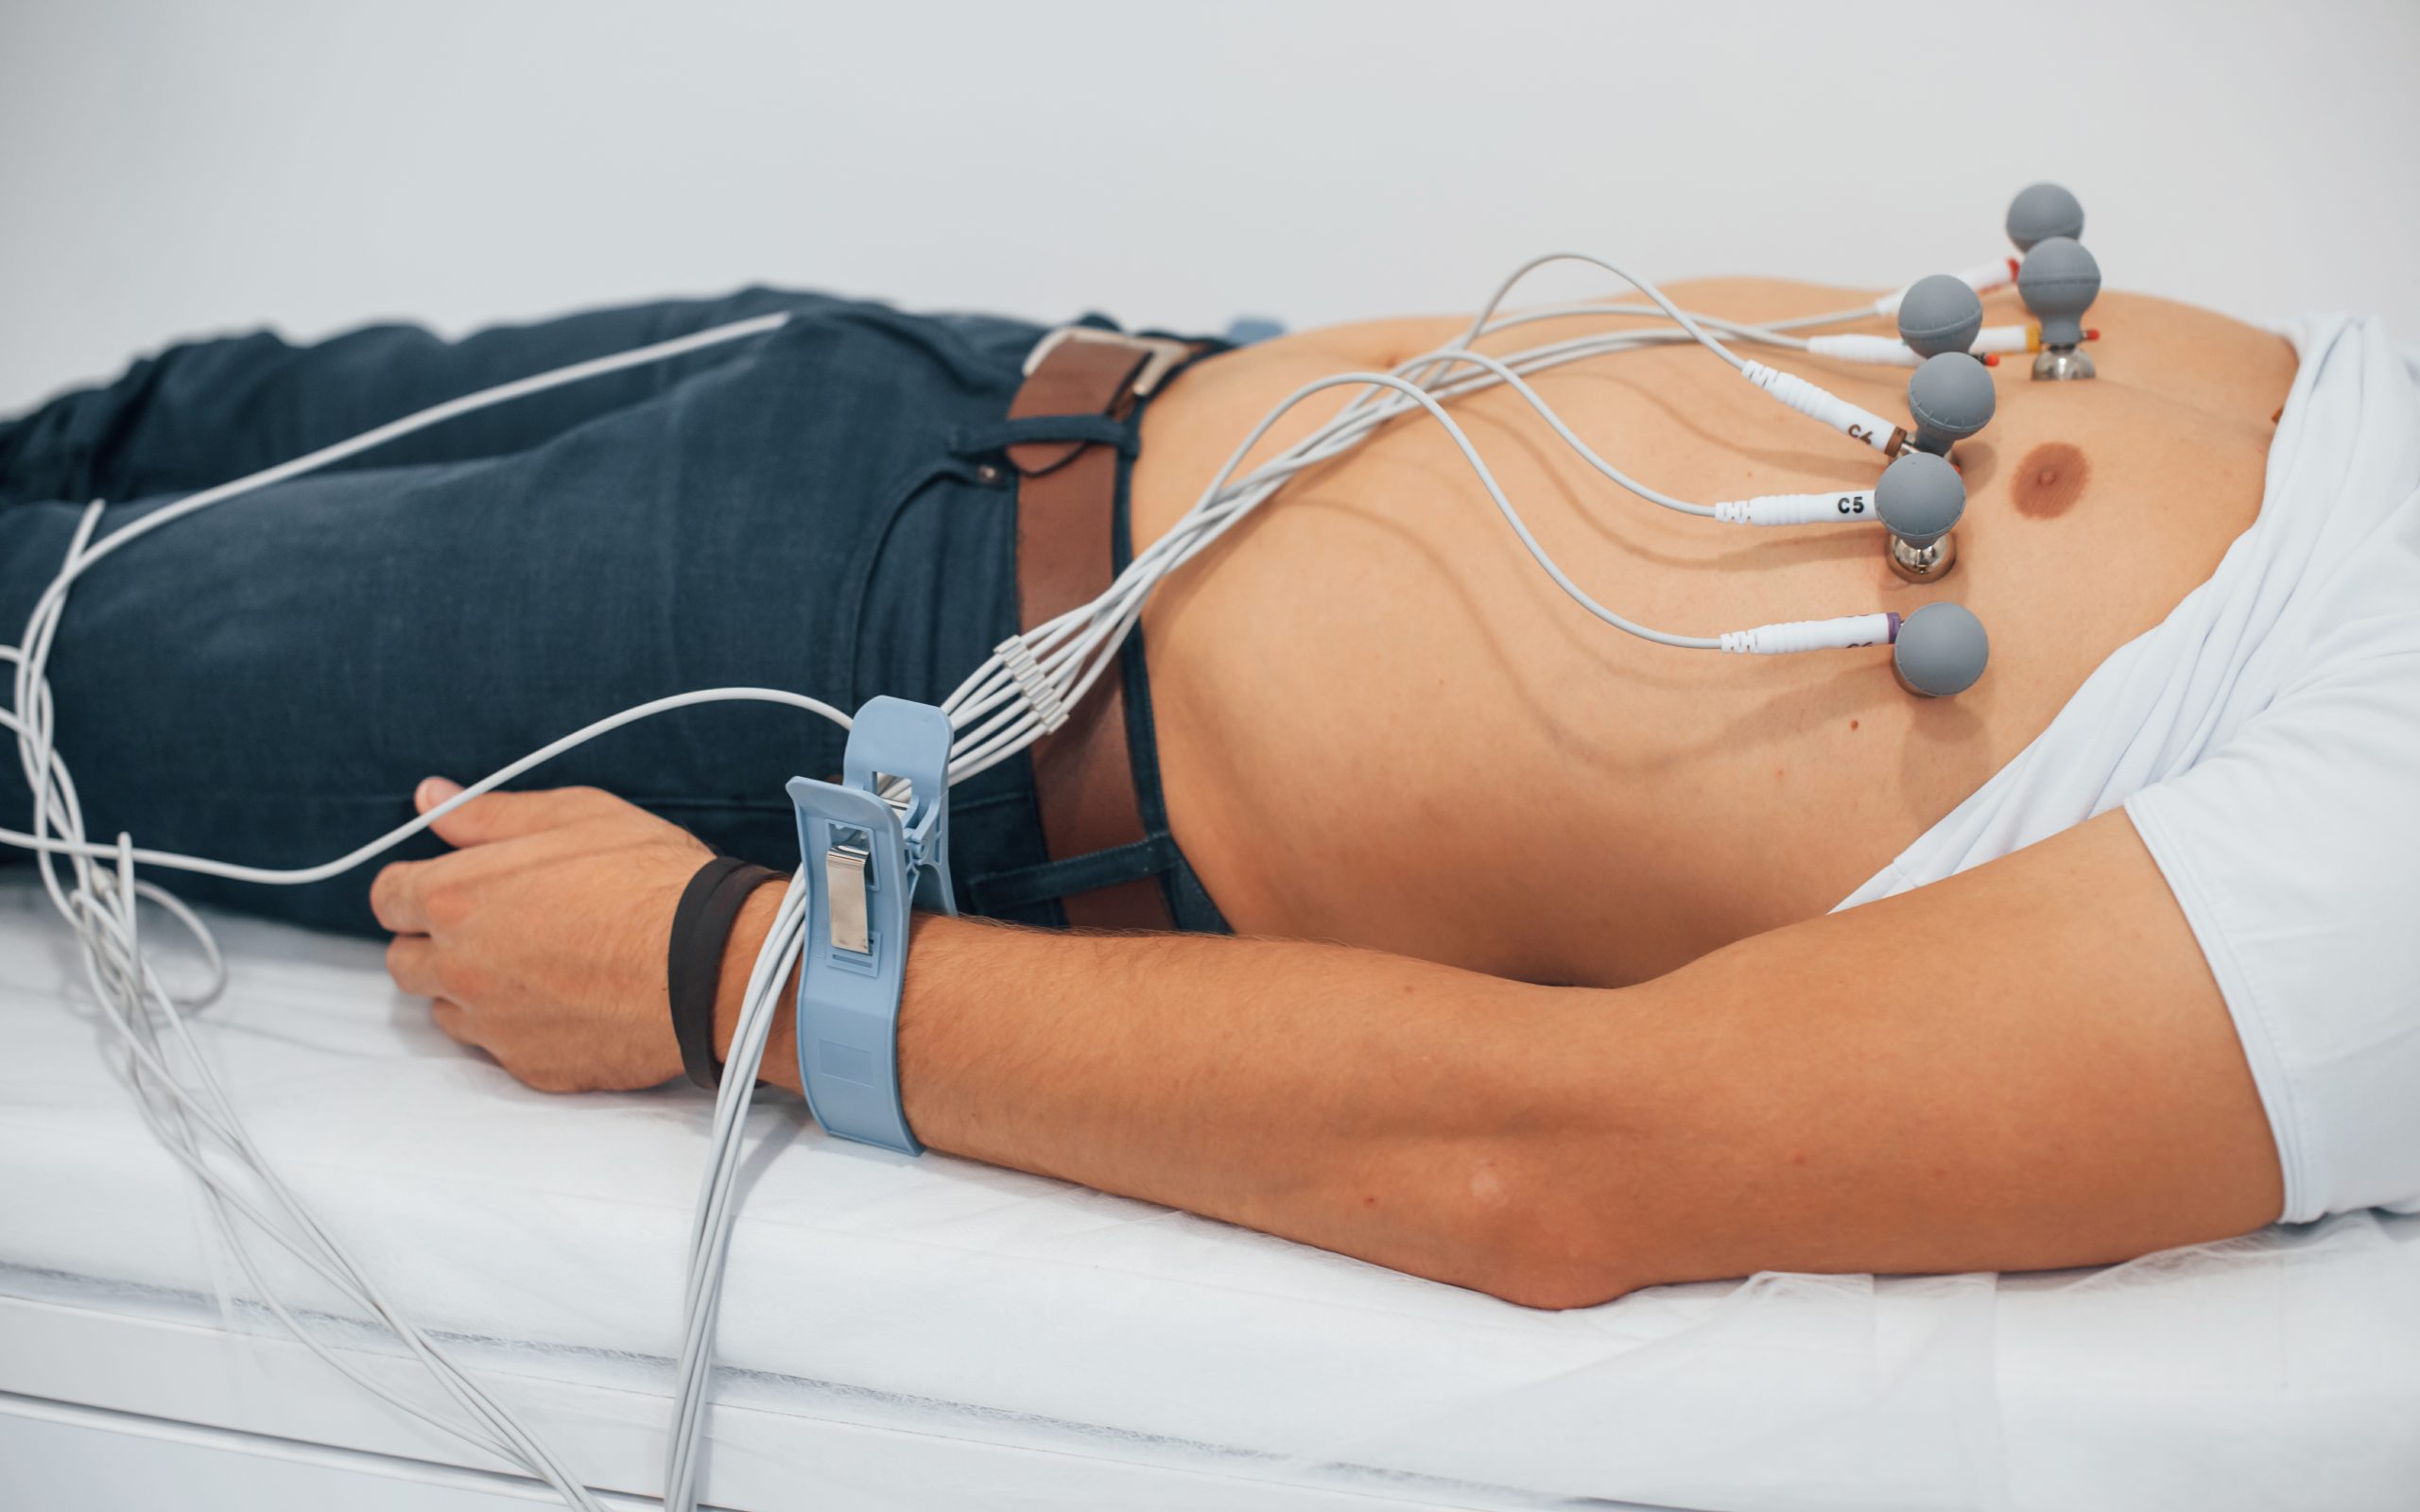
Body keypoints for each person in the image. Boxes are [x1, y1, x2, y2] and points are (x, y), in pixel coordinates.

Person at [2, 277, 2412, 1308]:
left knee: (34, 630)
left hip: (903, 694)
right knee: (136, 424)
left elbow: (1573, 1156)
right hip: (1025, 377)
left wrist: (728, 969)